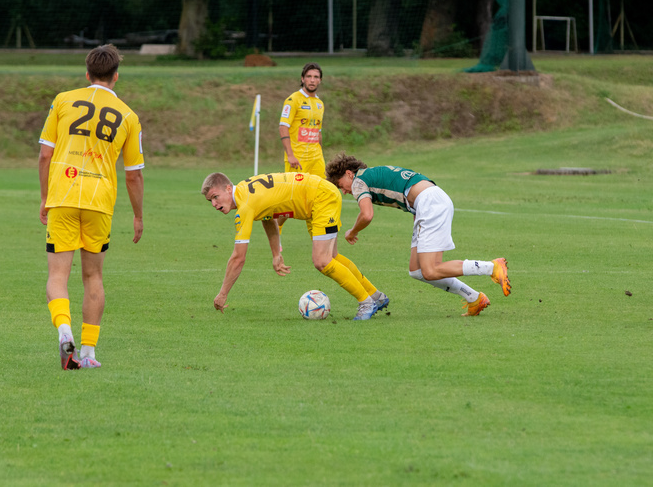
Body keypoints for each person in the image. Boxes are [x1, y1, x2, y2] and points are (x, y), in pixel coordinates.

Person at [38, 44, 145, 370]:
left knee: (58, 274)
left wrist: (45, 198)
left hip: (64, 196)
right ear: (116, 76)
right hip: (99, 202)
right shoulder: (128, 116)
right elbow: (134, 175)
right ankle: (88, 353)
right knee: (92, 276)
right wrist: (138, 215)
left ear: (87, 74)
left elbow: (45, 155)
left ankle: (64, 330)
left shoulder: (63, 100)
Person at [325, 154, 511, 316]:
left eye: (341, 185)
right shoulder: (372, 175)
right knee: (417, 271)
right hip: (426, 205)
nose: (344, 191)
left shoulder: (358, 181)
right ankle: (474, 298)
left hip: (430, 204)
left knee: (431, 269)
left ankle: (491, 267)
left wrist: (352, 232)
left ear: (349, 173)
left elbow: (367, 214)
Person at [201, 171, 387, 320]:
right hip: (318, 196)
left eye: (216, 197)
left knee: (322, 261)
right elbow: (268, 217)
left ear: (227, 188)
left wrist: (223, 293)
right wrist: (276, 254)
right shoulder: (245, 192)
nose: (214, 204)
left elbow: (238, 258)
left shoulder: (245, 206)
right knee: (332, 258)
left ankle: (366, 302)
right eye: (211, 201)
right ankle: (375, 296)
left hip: (320, 198)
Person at [277, 63, 326, 239]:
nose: (312, 80)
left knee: (318, 197)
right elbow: (283, 127)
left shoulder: (320, 104)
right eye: (309, 76)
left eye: (316, 77)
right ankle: (276, 228)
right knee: (292, 201)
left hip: (316, 159)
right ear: (302, 78)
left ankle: (317, 237)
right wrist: (290, 155)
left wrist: (321, 154)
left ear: (320, 80)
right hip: (297, 159)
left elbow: (318, 132)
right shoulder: (293, 100)